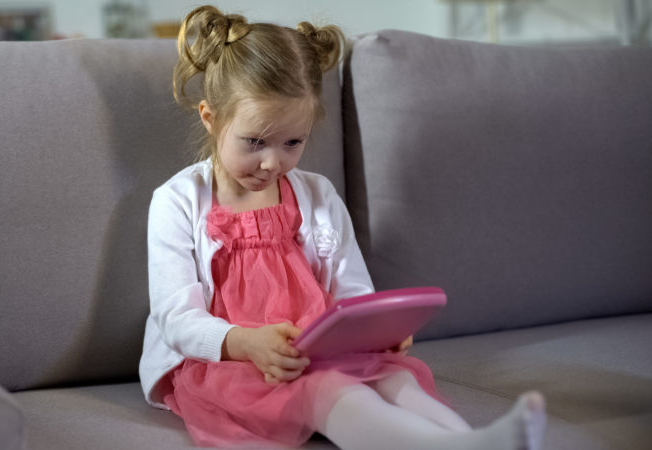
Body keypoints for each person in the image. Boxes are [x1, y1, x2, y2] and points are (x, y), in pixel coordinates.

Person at [139, 5, 547, 449]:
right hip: (231, 360)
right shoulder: (177, 201)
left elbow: (352, 288)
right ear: (210, 118)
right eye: (255, 142)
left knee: (395, 381)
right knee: (333, 392)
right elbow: (174, 318)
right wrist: (245, 342)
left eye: (293, 142)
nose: (273, 162)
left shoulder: (317, 196)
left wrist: (379, 332)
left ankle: (480, 441)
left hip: (319, 348)